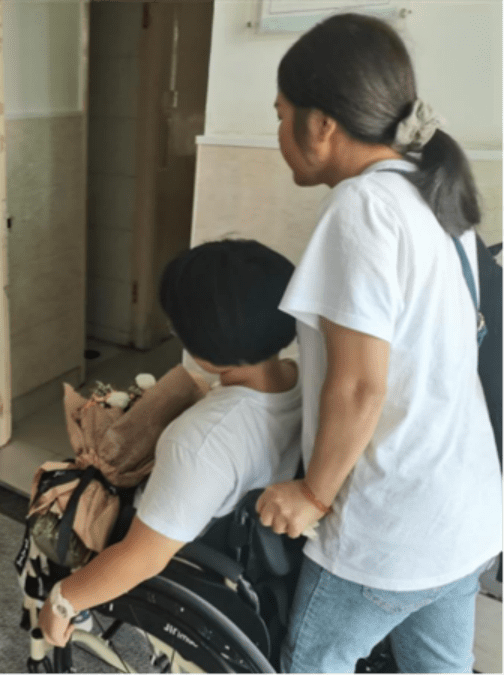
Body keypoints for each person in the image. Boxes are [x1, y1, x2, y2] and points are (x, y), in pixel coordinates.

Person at [254, 13, 503, 674]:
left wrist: (311, 495)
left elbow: (361, 385)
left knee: (312, 664)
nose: (279, 132)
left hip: (391, 528)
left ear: (321, 124)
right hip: (465, 513)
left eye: (280, 115)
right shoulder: (432, 192)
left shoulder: (361, 207)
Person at [39, 239, 302, 646]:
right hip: (261, 543)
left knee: (66, 496)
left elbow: (143, 557)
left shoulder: (200, 439)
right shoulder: (303, 379)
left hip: (189, 548)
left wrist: (63, 601)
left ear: (203, 344)